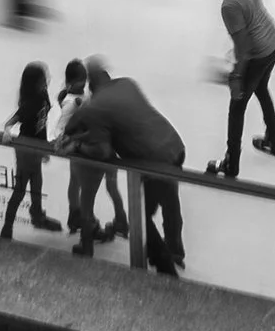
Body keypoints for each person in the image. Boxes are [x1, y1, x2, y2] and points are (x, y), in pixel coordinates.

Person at [61, 61, 185, 274]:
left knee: (142, 218)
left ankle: (164, 266)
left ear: (92, 88)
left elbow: (101, 150)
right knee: (170, 202)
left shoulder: (97, 106)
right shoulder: (128, 83)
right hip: (174, 146)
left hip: (153, 161)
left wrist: (78, 144)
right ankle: (175, 251)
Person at [205, 0, 275, 177]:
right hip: (273, 44)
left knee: (237, 107)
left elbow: (244, 46)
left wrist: (237, 76)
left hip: (257, 55)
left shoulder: (228, 5)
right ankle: (274, 141)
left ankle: (231, 164)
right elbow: (253, 20)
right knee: (261, 88)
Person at [50, 59, 127, 240]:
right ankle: (84, 222)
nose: (83, 83)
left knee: (88, 185)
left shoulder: (83, 99)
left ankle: (88, 219)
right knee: (85, 186)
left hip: (87, 146)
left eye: (85, 79)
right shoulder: (75, 102)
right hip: (84, 148)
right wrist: (63, 139)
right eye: (81, 80)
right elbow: (62, 124)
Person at [0, 62, 63, 237]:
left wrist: (43, 150)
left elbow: (42, 124)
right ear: (35, 83)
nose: (48, 79)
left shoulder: (43, 95)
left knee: (37, 184)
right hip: (26, 150)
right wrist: (6, 132)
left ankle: (37, 215)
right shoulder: (29, 104)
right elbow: (11, 122)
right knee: (20, 189)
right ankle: (7, 227)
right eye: (44, 78)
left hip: (35, 149)